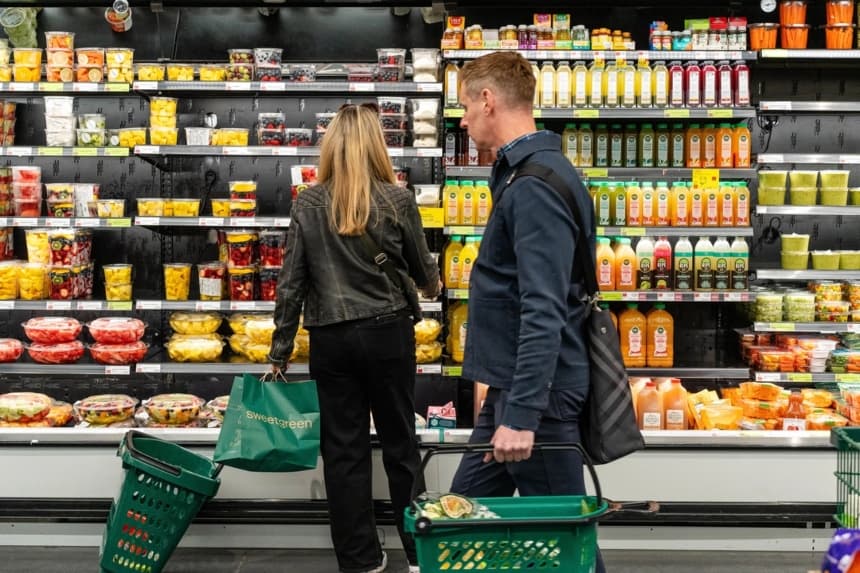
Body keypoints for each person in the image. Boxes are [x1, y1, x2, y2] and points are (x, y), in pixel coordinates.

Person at [449, 52, 605, 572]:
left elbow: (544, 308)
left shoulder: (535, 185)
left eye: (466, 108)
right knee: (457, 519)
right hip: (516, 387)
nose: (464, 121)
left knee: (566, 544)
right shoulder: (526, 174)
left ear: (488, 101)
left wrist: (521, 415)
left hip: (537, 398)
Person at [268, 103, 440, 573]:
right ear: (376, 146)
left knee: (343, 451)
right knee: (401, 446)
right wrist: (428, 284)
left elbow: (291, 284)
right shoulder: (398, 199)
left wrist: (279, 351)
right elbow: (426, 275)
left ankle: (360, 559)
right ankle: (418, 551)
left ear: (331, 148)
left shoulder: (307, 202)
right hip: (388, 335)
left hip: (332, 341)